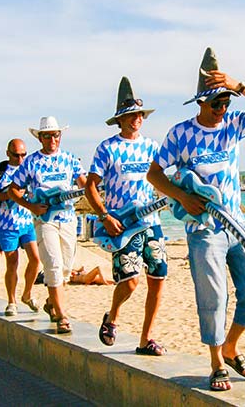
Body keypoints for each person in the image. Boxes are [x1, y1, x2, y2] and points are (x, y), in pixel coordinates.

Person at [147, 47, 245, 391]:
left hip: (237, 224)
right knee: (214, 297)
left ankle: (232, 346)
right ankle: (217, 361)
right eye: (216, 102)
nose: (222, 108)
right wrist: (181, 196)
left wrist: (239, 86)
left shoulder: (233, 125)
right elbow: (154, 174)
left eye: (226, 101)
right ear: (201, 102)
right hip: (203, 229)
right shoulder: (180, 133)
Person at [85, 77, 168, 356]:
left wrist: (176, 197)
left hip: (151, 222)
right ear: (120, 120)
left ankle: (146, 339)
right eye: (131, 115)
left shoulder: (152, 147)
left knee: (158, 278)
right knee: (130, 281)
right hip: (122, 225)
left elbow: (162, 180)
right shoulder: (107, 148)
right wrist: (104, 216)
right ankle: (112, 317)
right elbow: (90, 186)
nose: (137, 119)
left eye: (140, 114)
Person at [9, 116, 87, 334]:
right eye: (47, 136)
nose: (52, 139)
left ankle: (51, 303)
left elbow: (84, 184)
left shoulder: (70, 159)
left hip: (68, 219)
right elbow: (13, 190)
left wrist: (96, 191)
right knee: (53, 264)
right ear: (40, 138)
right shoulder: (31, 162)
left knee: (66, 269)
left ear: (60, 136)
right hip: (45, 221)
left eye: (55, 135)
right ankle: (62, 316)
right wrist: (31, 206)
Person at [0, 139, 40, 316]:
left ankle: (27, 294)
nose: (20, 159)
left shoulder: (28, 169)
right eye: (16, 155)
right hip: (6, 225)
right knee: (12, 263)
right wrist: (8, 195)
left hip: (27, 223)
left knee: (35, 260)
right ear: (8, 153)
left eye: (23, 155)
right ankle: (11, 301)